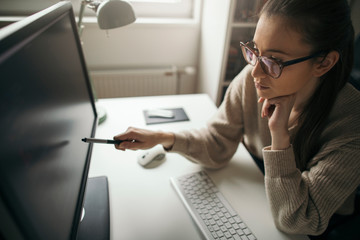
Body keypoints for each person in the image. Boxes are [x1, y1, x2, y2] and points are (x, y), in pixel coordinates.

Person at [114, 0, 360, 237]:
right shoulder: (252, 81)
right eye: (255, 52)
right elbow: (217, 143)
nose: (255, 72)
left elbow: (300, 220)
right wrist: (163, 137)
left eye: (274, 61)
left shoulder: (352, 122)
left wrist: (280, 137)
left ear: (324, 63)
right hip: (261, 185)